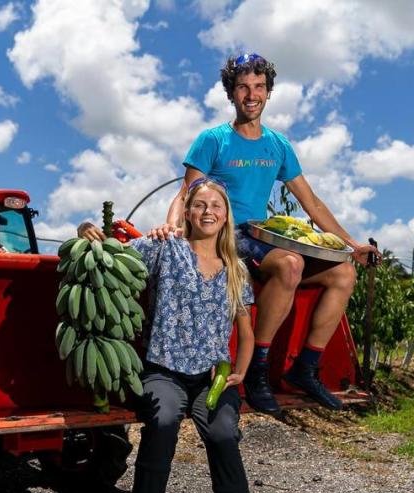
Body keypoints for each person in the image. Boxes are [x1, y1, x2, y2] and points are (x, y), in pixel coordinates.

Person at [159, 53, 381, 415]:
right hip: (226, 235)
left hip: (261, 236)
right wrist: (173, 228)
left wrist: (351, 244)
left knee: (343, 272)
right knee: (290, 264)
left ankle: (306, 368)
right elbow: (189, 195)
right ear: (231, 93)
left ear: (268, 92)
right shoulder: (213, 139)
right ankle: (258, 370)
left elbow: (311, 202)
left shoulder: (277, 146)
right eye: (243, 87)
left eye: (259, 87)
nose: (251, 94)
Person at [78, 180, 261, 493]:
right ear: (188, 211)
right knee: (160, 425)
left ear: (225, 215)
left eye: (216, 205)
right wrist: (89, 227)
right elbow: (111, 257)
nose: (208, 211)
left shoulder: (237, 268)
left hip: (212, 378)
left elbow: (247, 331)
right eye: (200, 204)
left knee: (224, 439)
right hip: (164, 371)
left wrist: (240, 372)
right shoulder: (165, 248)